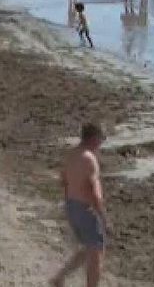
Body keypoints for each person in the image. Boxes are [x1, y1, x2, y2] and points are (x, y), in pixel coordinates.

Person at [51, 122, 108, 287]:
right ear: (94, 138)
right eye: (102, 138)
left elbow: (63, 180)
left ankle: (59, 278)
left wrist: (69, 202)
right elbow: (94, 193)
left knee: (86, 248)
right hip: (86, 208)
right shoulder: (90, 159)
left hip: (72, 205)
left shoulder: (72, 154)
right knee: (96, 254)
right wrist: (103, 216)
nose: (102, 142)